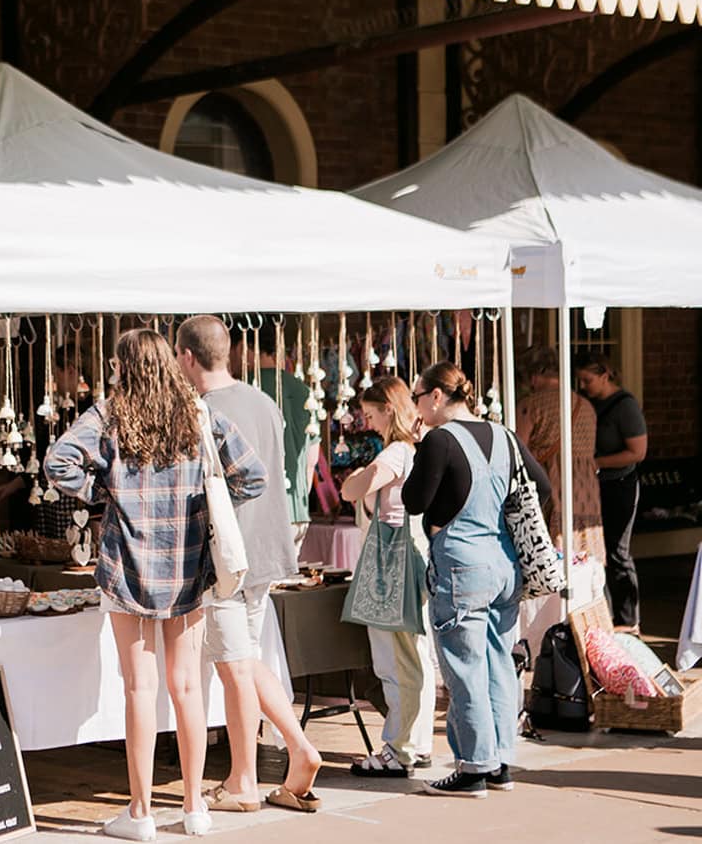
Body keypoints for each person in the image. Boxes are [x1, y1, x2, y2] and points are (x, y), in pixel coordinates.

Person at [45, 328, 267, 840]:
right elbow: (252, 477)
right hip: (187, 565)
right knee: (187, 687)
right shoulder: (196, 414)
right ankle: (194, 808)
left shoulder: (108, 414)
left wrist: (103, 494)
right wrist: (206, 502)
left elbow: (59, 463)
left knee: (138, 688)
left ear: (124, 366)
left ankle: (141, 813)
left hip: (127, 567)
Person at [175, 316, 323, 815]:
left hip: (225, 556)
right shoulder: (265, 402)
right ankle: (275, 759)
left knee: (236, 664)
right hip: (265, 548)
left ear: (187, 358)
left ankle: (252, 774)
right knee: (246, 657)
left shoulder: (199, 411)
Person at [402, 362, 551, 798]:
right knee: (499, 663)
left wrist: (438, 518)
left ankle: (473, 768)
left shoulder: (439, 440)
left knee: (465, 668)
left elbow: (415, 501)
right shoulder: (503, 435)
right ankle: (500, 760)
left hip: (462, 563)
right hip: (505, 562)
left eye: (416, 397)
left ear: (435, 396)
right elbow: (540, 486)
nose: (414, 406)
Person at [339, 377, 435, 779]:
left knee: (397, 660)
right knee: (413, 657)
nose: (369, 422)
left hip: (390, 561)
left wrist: (357, 475)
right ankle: (418, 742)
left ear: (389, 411)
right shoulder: (417, 447)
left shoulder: (396, 452)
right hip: (410, 554)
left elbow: (353, 489)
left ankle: (400, 747)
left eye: (373, 414)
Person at [515, 347, 607, 646]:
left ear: (535, 376)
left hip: (548, 486)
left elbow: (518, 451)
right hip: (585, 491)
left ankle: (549, 634)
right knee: (584, 560)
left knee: (549, 559)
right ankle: (589, 629)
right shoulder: (586, 406)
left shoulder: (531, 406)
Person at [575, 351, 648, 633]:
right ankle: (600, 617)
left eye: (588, 380)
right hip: (592, 486)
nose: (583, 386)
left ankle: (628, 620)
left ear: (605, 375)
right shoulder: (586, 403)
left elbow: (638, 452)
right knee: (593, 551)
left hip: (619, 485)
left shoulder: (625, 406)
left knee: (618, 551)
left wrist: (596, 462)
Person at [0, 342, 94, 538]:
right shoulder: (62, 411)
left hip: (76, 499)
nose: (54, 381)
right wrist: (11, 487)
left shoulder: (90, 410)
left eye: (57, 373)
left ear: (70, 371)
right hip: (54, 498)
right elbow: (40, 459)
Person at [230, 328, 320, 542]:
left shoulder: (239, 390)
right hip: (297, 512)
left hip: (257, 516)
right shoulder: (303, 390)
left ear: (243, 348)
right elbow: (311, 461)